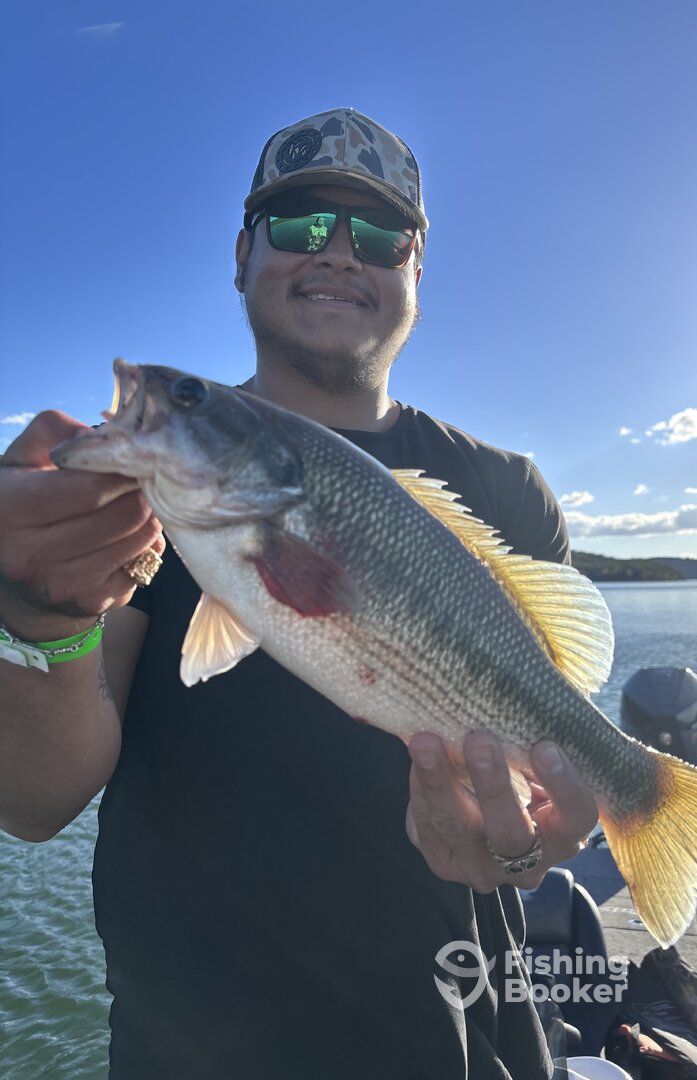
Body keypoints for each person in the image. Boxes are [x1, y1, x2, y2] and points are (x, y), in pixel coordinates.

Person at [0, 109, 600, 1079]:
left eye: (379, 234)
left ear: (415, 267)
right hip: (185, 1053)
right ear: (242, 255)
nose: (337, 252)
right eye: (299, 223)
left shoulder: (506, 490)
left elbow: (542, 789)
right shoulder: (133, 497)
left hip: (462, 1042)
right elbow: (33, 805)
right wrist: (40, 620)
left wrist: (526, 847)